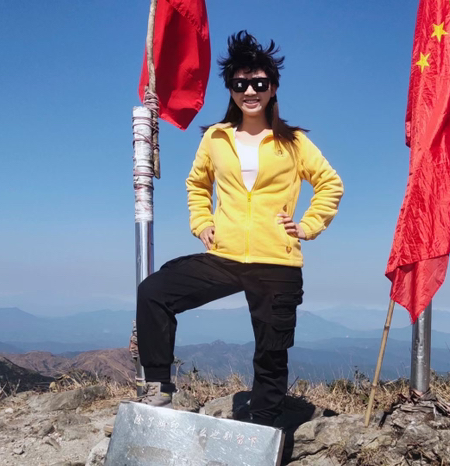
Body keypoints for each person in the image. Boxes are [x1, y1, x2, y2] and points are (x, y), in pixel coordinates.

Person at [136, 30, 343, 426]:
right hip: (225, 255)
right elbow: (197, 183)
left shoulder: (293, 142)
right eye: (240, 84)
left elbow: (330, 183)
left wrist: (307, 225)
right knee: (154, 292)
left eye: (259, 84)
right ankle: (158, 388)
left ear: (273, 88)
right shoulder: (216, 138)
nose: (250, 91)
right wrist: (202, 222)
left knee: (271, 353)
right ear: (231, 89)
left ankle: (263, 428)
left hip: (276, 259)